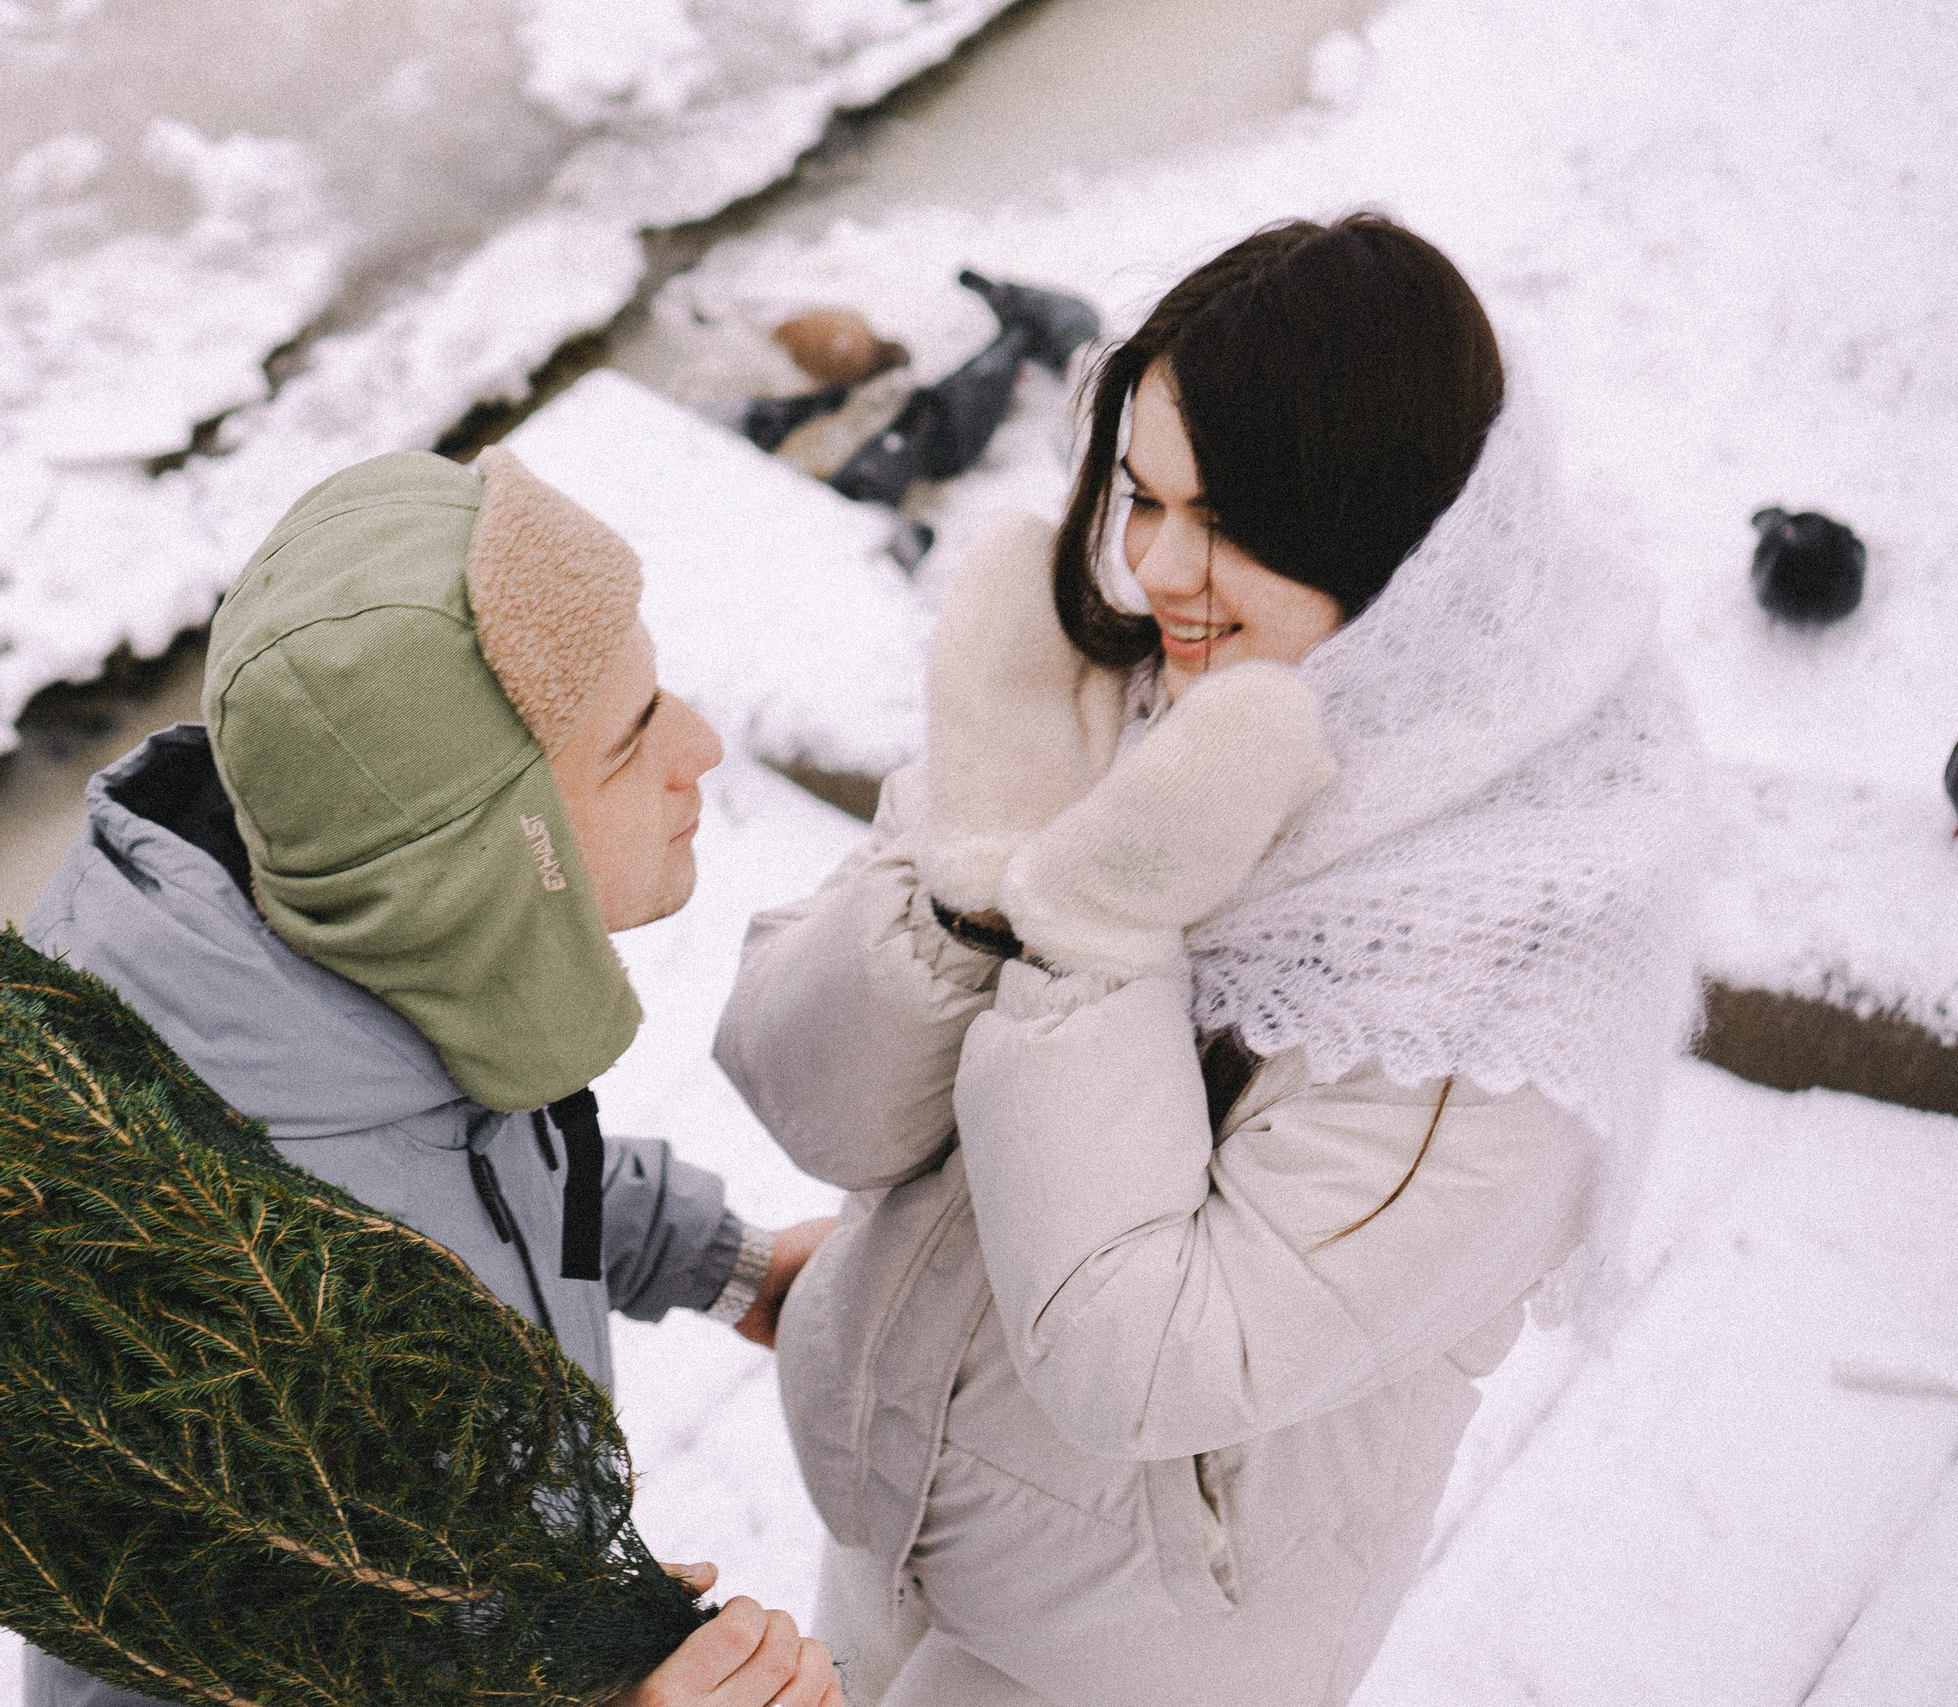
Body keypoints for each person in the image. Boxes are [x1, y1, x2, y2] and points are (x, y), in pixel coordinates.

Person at [713, 215, 1704, 1706]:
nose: (1158, 569)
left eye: (1228, 517)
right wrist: (975, 883)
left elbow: (1154, 1358)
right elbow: (814, 1101)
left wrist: (1094, 939)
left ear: (1389, 532)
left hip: (1137, 1648)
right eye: (1141, 496)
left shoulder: (1499, 950)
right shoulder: (1121, 684)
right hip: (901, 1509)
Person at [19, 445, 839, 1707]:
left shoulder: (358, 956)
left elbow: (488, 1172)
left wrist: (726, 1263)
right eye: (630, 741)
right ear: (491, 859)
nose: (704, 745)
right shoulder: (204, 1269)